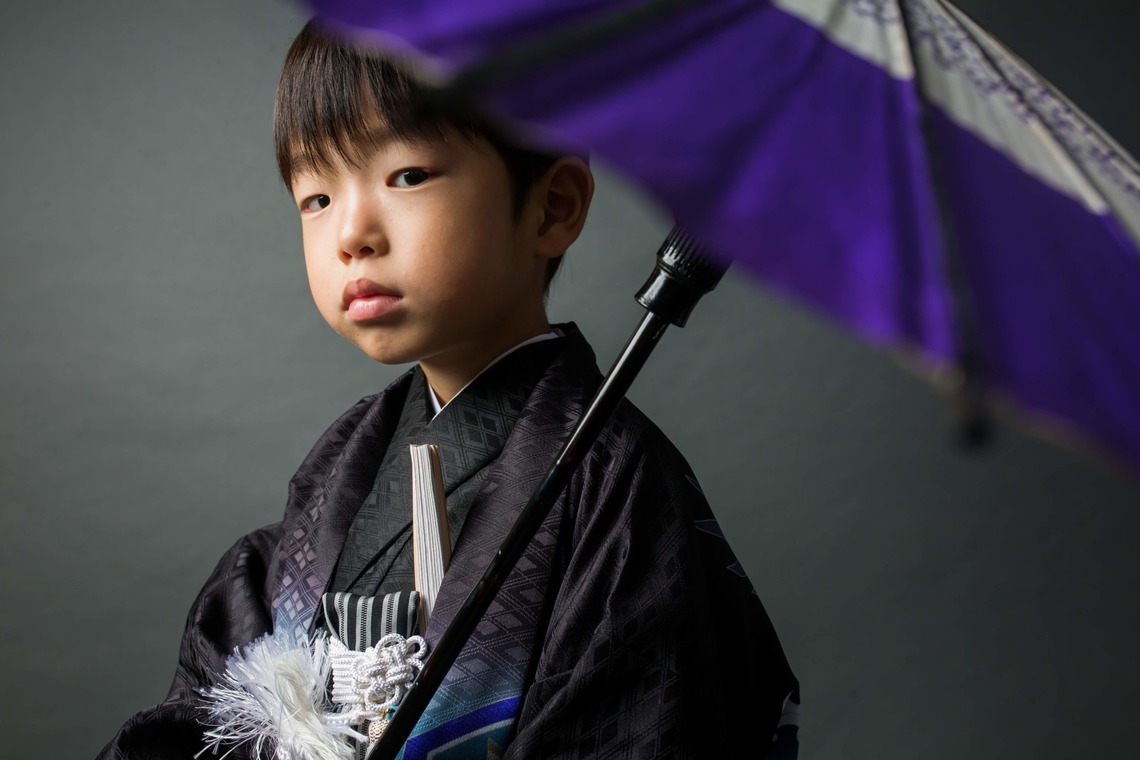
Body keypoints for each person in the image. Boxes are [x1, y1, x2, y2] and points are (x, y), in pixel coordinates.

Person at [100, 20, 799, 760]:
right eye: (316, 196)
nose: (352, 233)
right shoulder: (344, 464)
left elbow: (647, 720)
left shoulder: (612, 484)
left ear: (553, 206)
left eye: (406, 176)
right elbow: (219, 698)